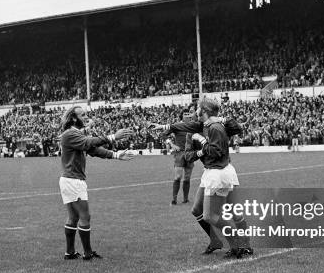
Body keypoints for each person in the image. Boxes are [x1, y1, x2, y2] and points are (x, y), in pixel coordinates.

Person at [150, 98, 249, 258]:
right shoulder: (197, 127)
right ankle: (217, 241)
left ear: (203, 111)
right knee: (197, 209)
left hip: (221, 171)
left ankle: (242, 245)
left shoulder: (216, 126)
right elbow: (188, 153)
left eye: (196, 109)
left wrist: (206, 137)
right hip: (210, 171)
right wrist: (165, 127)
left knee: (230, 212)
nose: (193, 112)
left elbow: (235, 128)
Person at [59, 106, 134, 260]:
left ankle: (70, 252)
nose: (86, 117)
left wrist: (115, 155)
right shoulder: (70, 133)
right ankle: (87, 254)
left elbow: (93, 149)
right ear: (74, 118)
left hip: (69, 180)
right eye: (83, 115)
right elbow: (89, 143)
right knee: (85, 217)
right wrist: (113, 137)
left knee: (73, 217)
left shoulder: (75, 134)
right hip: (74, 181)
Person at [167, 110, 195, 205]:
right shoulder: (177, 125)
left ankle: (185, 199)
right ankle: (174, 199)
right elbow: (163, 134)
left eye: (188, 114)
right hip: (179, 153)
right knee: (178, 176)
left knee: (187, 178)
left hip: (190, 153)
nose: (187, 116)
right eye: (185, 114)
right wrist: (171, 144)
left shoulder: (193, 126)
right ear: (181, 116)